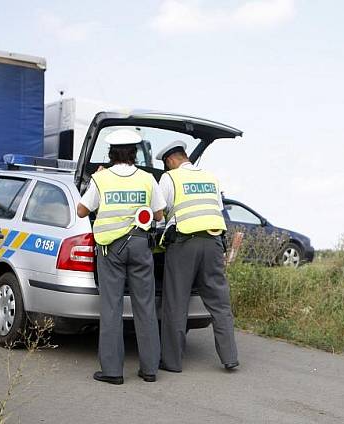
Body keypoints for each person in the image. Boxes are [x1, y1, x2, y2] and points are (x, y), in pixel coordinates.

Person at [76, 129, 164, 385]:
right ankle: (149, 369)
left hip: (110, 249)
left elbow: (82, 211)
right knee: (145, 305)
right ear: (135, 153)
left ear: (111, 154)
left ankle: (113, 371)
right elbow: (159, 215)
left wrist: (97, 178)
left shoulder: (101, 180)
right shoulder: (148, 179)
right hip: (140, 245)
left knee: (112, 307)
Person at [156, 140, 239, 372]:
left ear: (171, 161)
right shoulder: (211, 177)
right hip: (213, 243)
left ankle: (171, 362)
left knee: (176, 302)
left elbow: (160, 213)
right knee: (220, 303)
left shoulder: (170, 178)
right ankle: (229, 357)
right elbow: (217, 207)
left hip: (184, 244)